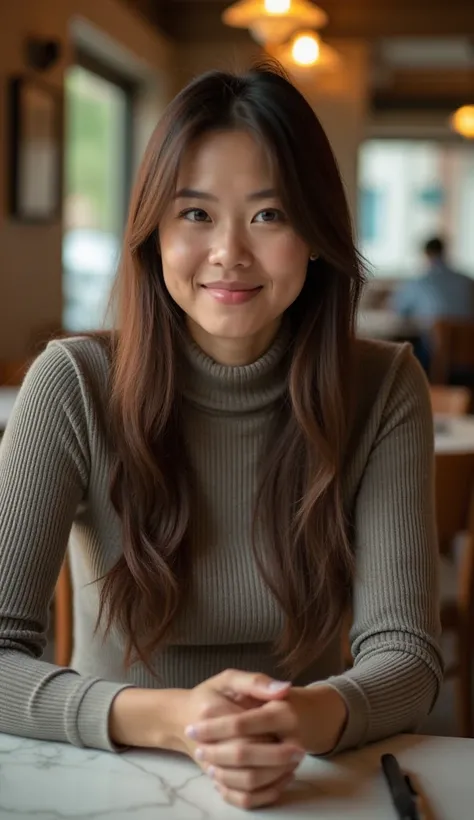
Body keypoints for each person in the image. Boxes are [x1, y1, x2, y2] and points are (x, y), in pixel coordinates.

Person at [0, 65, 442, 811]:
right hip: (109, 778)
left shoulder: (384, 386)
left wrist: (305, 718)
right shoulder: (73, 383)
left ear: (317, 234)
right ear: (153, 233)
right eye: (196, 215)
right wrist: (172, 721)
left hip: (308, 777)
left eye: (269, 215)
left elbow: (408, 654)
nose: (229, 253)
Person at [391, 237, 474, 369]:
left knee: (408, 353)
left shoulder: (418, 283)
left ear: (426, 254)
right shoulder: (468, 281)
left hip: (434, 355)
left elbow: (398, 312)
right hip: (469, 352)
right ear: (445, 252)